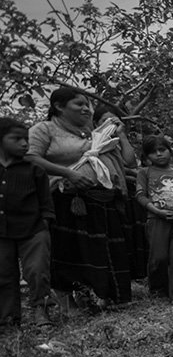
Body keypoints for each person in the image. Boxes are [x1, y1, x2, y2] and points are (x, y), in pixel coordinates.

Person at [27, 87, 134, 309]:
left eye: (87, 104)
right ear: (59, 106)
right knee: (67, 251)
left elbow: (127, 161)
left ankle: (97, 297)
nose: (86, 109)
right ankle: (67, 303)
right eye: (79, 104)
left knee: (97, 251)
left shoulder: (94, 134)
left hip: (100, 200)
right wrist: (68, 173)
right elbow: (29, 158)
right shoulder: (44, 129)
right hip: (66, 200)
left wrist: (119, 134)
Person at [0, 118, 53, 327]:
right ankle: (8, 317)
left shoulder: (34, 170)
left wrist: (46, 223)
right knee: (3, 273)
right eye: (17, 139)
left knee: (37, 271)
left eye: (26, 139)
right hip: (2, 231)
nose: (24, 144)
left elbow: (45, 201)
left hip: (33, 229)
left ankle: (42, 310)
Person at [136, 136, 173, 301]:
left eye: (162, 150)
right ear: (147, 157)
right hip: (156, 220)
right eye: (153, 152)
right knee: (158, 257)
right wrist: (157, 211)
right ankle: (158, 292)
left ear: (170, 151)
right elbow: (140, 196)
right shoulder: (144, 173)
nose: (159, 154)